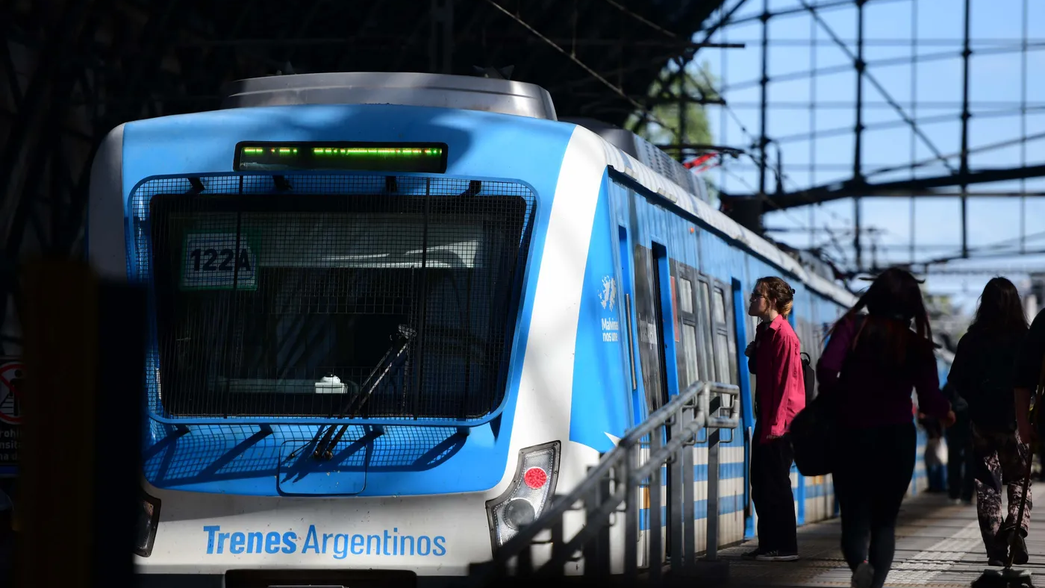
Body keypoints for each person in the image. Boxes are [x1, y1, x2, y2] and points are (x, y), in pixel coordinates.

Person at [816, 267, 955, 588]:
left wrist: (841, 400)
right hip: (896, 439)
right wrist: (946, 413)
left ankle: (860, 565)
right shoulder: (917, 344)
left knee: (853, 518)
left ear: (874, 296)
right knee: (884, 523)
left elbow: (825, 369)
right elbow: (931, 398)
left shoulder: (853, 327)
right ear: (912, 305)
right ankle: (874, 583)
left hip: (852, 434)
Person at [947, 277, 1030, 565]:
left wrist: (978, 399)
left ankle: (996, 551)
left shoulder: (972, 339)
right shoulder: (1025, 339)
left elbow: (956, 380)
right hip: (1016, 423)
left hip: (982, 424)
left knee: (987, 486)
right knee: (1020, 478)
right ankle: (1016, 527)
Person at [742, 276, 805, 562]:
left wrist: (776, 428)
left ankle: (785, 546)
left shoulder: (784, 335)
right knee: (761, 483)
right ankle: (768, 543)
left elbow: (785, 384)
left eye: (757, 295)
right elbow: (761, 372)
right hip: (766, 418)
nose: (752, 298)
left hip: (780, 423)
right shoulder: (765, 332)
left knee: (777, 485)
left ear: (773, 302)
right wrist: (753, 353)